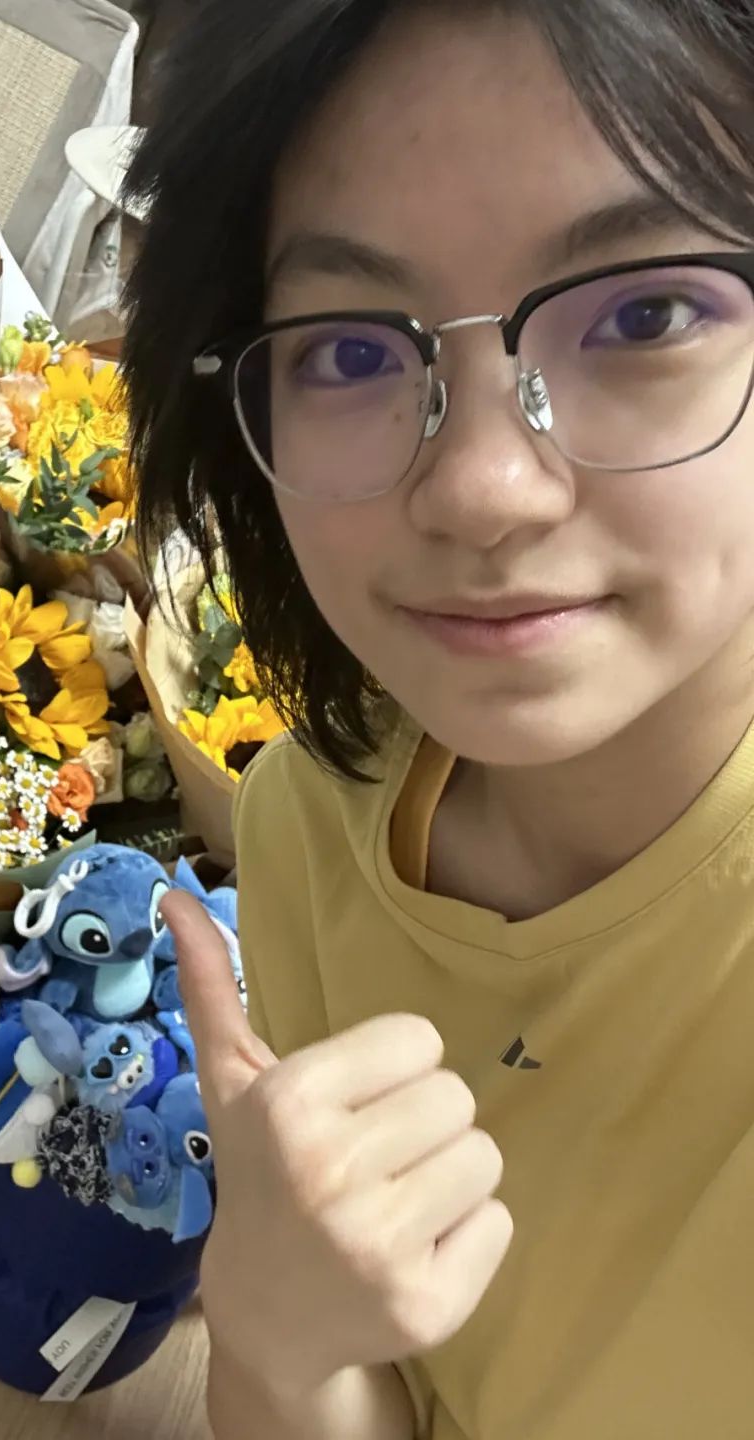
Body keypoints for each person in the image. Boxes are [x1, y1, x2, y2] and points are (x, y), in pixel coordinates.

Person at [124, 2, 754, 1436]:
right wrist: (279, 1331)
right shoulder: (306, 819)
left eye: (646, 312)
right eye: (350, 351)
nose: (482, 487)